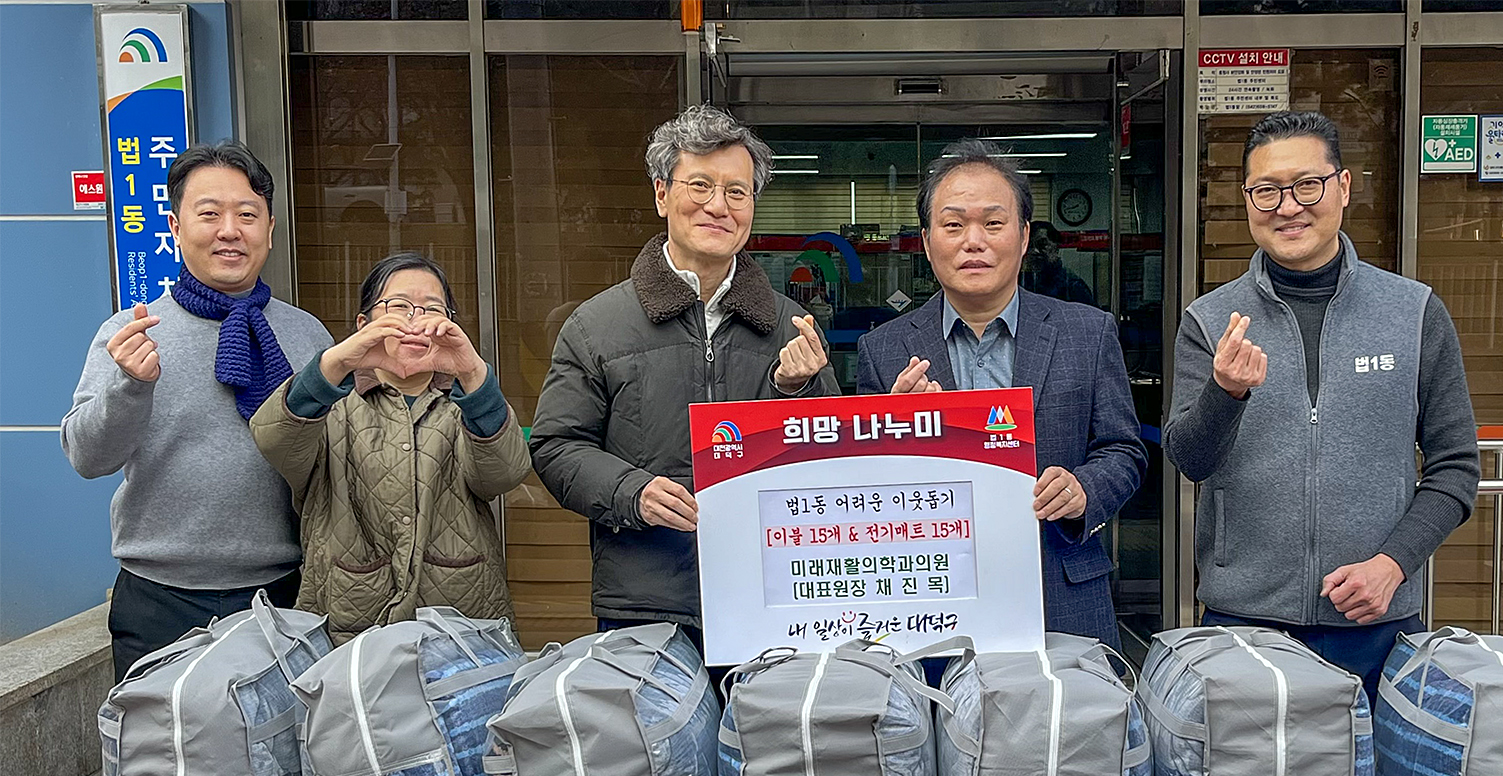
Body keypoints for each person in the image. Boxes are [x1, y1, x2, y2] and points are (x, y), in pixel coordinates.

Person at [1165, 110, 1480, 704]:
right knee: (1247, 769)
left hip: (1376, 622)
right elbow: (1189, 459)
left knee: (1372, 767)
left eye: (1307, 185)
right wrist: (1225, 393)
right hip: (1244, 625)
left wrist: (1393, 564)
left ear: (1343, 187)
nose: (1288, 207)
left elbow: (1456, 468)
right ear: (1247, 200)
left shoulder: (1413, 313)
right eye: (1266, 191)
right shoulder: (1210, 320)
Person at [530, 105, 839, 644]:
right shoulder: (597, 326)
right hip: (645, 601)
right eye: (700, 185)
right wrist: (631, 492)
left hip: (775, 593)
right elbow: (557, 446)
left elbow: (833, 458)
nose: (718, 206)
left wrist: (800, 389)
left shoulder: (791, 324)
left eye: (737, 191)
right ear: (661, 194)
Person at [856, 140, 1146, 647]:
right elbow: (865, 491)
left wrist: (1084, 490)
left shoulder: (1087, 331)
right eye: (953, 225)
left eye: (993, 223)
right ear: (926, 241)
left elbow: (1124, 450)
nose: (974, 241)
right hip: (931, 602)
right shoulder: (883, 350)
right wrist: (895, 432)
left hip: (1062, 591)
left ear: (1024, 235)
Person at [64, 141, 334, 678]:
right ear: (175, 226)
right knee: (162, 735)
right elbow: (87, 457)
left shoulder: (307, 336)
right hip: (160, 599)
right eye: (209, 214)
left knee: (285, 735)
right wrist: (130, 387)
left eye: (247, 215)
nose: (229, 231)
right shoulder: (131, 332)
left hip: (286, 593)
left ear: (270, 229)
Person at [250, 253, 530, 643]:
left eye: (432, 309)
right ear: (363, 324)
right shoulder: (330, 402)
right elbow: (274, 440)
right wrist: (336, 363)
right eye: (399, 307)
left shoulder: (465, 402)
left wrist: (473, 374)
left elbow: (503, 474)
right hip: (347, 621)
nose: (415, 321)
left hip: (460, 620)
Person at [1021, 220, 1097, 306]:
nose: (1035, 251)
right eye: (1029, 246)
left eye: (1042, 244)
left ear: (1056, 246)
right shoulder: (1022, 282)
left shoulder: (1071, 285)